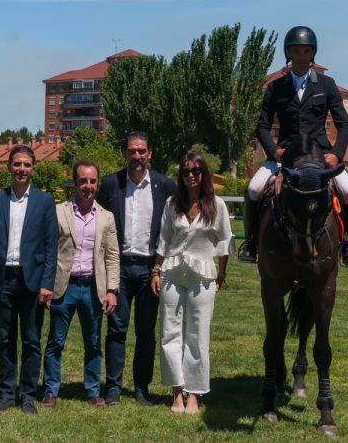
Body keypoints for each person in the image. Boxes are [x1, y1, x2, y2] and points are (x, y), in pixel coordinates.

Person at [238, 25, 348, 267]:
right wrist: (274, 150)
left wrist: (336, 154)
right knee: (253, 189)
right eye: (296, 51)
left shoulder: (326, 85)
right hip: (284, 156)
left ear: (312, 53)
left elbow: (344, 125)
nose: (301, 56)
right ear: (288, 53)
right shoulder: (276, 87)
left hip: (320, 157)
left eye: (306, 51)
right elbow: (262, 126)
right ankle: (251, 244)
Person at [96, 132, 176, 406]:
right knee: (116, 330)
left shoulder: (164, 186)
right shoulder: (111, 184)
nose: (137, 156)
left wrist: (160, 269)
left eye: (142, 151)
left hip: (149, 270)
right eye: (132, 151)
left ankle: (142, 387)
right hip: (118, 267)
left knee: (145, 332)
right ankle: (113, 388)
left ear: (149, 153)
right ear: (125, 153)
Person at [150, 152, 232, 415]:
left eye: (195, 170)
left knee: (198, 335)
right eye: (186, 171)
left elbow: (225, 242)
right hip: (172, 272)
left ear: (203, 173)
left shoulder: (217, 205)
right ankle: (177, 391)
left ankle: (194, 393)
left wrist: (221, 276)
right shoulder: (172, 203)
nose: (191, 175)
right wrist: (156, 270)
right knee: (169, 332)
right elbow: (164, 239)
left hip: (203, 275)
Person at [0, 145, 58, 414]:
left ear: (33, 168)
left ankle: (27, 395)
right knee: (5, 339)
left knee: (31, 340)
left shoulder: (45, 202)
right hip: (3, 280)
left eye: (26, 165)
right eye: (17, 164)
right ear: (9, 167)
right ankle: (6, 393)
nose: (21, 169)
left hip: (32, 280)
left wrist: (47, 284)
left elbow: (51, 247)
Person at [41, 160, 119, 409]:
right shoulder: (58, 212)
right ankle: (50, 391)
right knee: (55, 342)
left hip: (93, 288)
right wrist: (46, 286)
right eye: (83, 181)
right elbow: (48, 250)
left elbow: (112, 256)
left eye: (92, 181)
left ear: (97, 183)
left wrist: (112, 290)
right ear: (75, 183)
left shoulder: (106, 217)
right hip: (64, 287)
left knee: (93, 343)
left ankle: (93, 391)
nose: (88, 186)